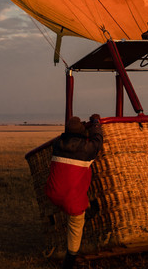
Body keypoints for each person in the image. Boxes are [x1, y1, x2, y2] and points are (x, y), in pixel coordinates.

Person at [44, 114, 104, 269]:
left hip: (52, 192)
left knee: (73, 206)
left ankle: (89, 210)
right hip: (70, 200)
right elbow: (98, 140)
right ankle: (69, 261)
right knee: (75, 227)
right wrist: (96, 122)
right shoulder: (87, 149)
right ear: (82, 133)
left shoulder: (58, 144)